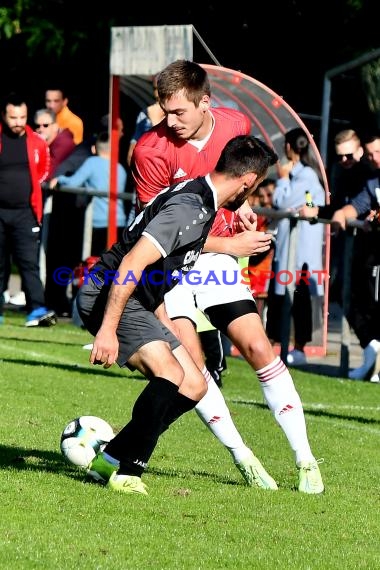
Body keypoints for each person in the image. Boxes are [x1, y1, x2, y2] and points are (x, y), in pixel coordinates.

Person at [131, 60, 324, 494]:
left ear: (205, 103)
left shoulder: (235, 124)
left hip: (217, 263)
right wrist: (231, 246)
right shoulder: (151, 150)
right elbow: (160, 233)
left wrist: (242, 207)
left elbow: (238, 180)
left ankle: (306, 459)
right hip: (174, 266)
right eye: (163, 111)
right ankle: (244, 457)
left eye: (179, 112)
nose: (169, 121)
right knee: (193, 367)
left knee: (257, 346)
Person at [77, 134, 278, 495]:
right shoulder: (190, 207)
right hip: (110, 293)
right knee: (169, 374)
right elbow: (131, 263)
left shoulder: (203, 201)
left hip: (142, 299)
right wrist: (106, 331)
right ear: (248, 181)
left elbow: (162, 268)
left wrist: (163, 318)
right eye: (257, 185)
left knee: (195, 383)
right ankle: (127, 472)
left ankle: (111, 457)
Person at [266, 127, 326, 366]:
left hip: (300, 252)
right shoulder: (303, 176)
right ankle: (275, 343)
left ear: (289, 148)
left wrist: (281, 181)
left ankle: (298, 347)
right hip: (293, 248)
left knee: (296, 299)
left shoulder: (306, 177)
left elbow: (281, 203)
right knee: (282, 297)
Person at [0, 92, 56, 327]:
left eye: (22, 117)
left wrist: (39, 183)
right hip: (0, 212)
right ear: (4, 116)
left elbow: (45, 167)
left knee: (29, 263)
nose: (18, 122)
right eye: (14, 117)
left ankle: (37, 309)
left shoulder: (36, 142)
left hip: (26, 212)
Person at [329, 130, 380, 381]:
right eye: (341, 157)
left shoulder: (367, 174)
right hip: (367, 254)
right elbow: (355, 205)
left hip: (367, 252)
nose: (346, 161)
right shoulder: (371, 181)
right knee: (346, 293)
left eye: (351, 155)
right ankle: (372, 350)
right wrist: (340, 215)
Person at [50, 131, 127, 256]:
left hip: (98, 223)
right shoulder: (120, 168)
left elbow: (73, 183)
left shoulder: (92, 162)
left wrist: (59, 179)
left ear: (93, 148)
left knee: (94, 262)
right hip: (119, 223)